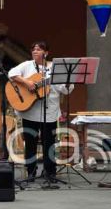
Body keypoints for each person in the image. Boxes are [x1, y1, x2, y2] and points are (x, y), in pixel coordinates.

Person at [8, 41, 73, 181]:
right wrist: (27, 83)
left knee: (49, 143)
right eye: (33, 49)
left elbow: (65, 90)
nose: (35, 51)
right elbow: (11, 73)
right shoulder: (27, 65)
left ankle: (50, 172)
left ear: (46, 52)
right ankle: (31, 171)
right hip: (30, 111)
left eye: (39, 49)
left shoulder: (56, 68)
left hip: (50, 112)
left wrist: (67, 82)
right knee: (30, 143)